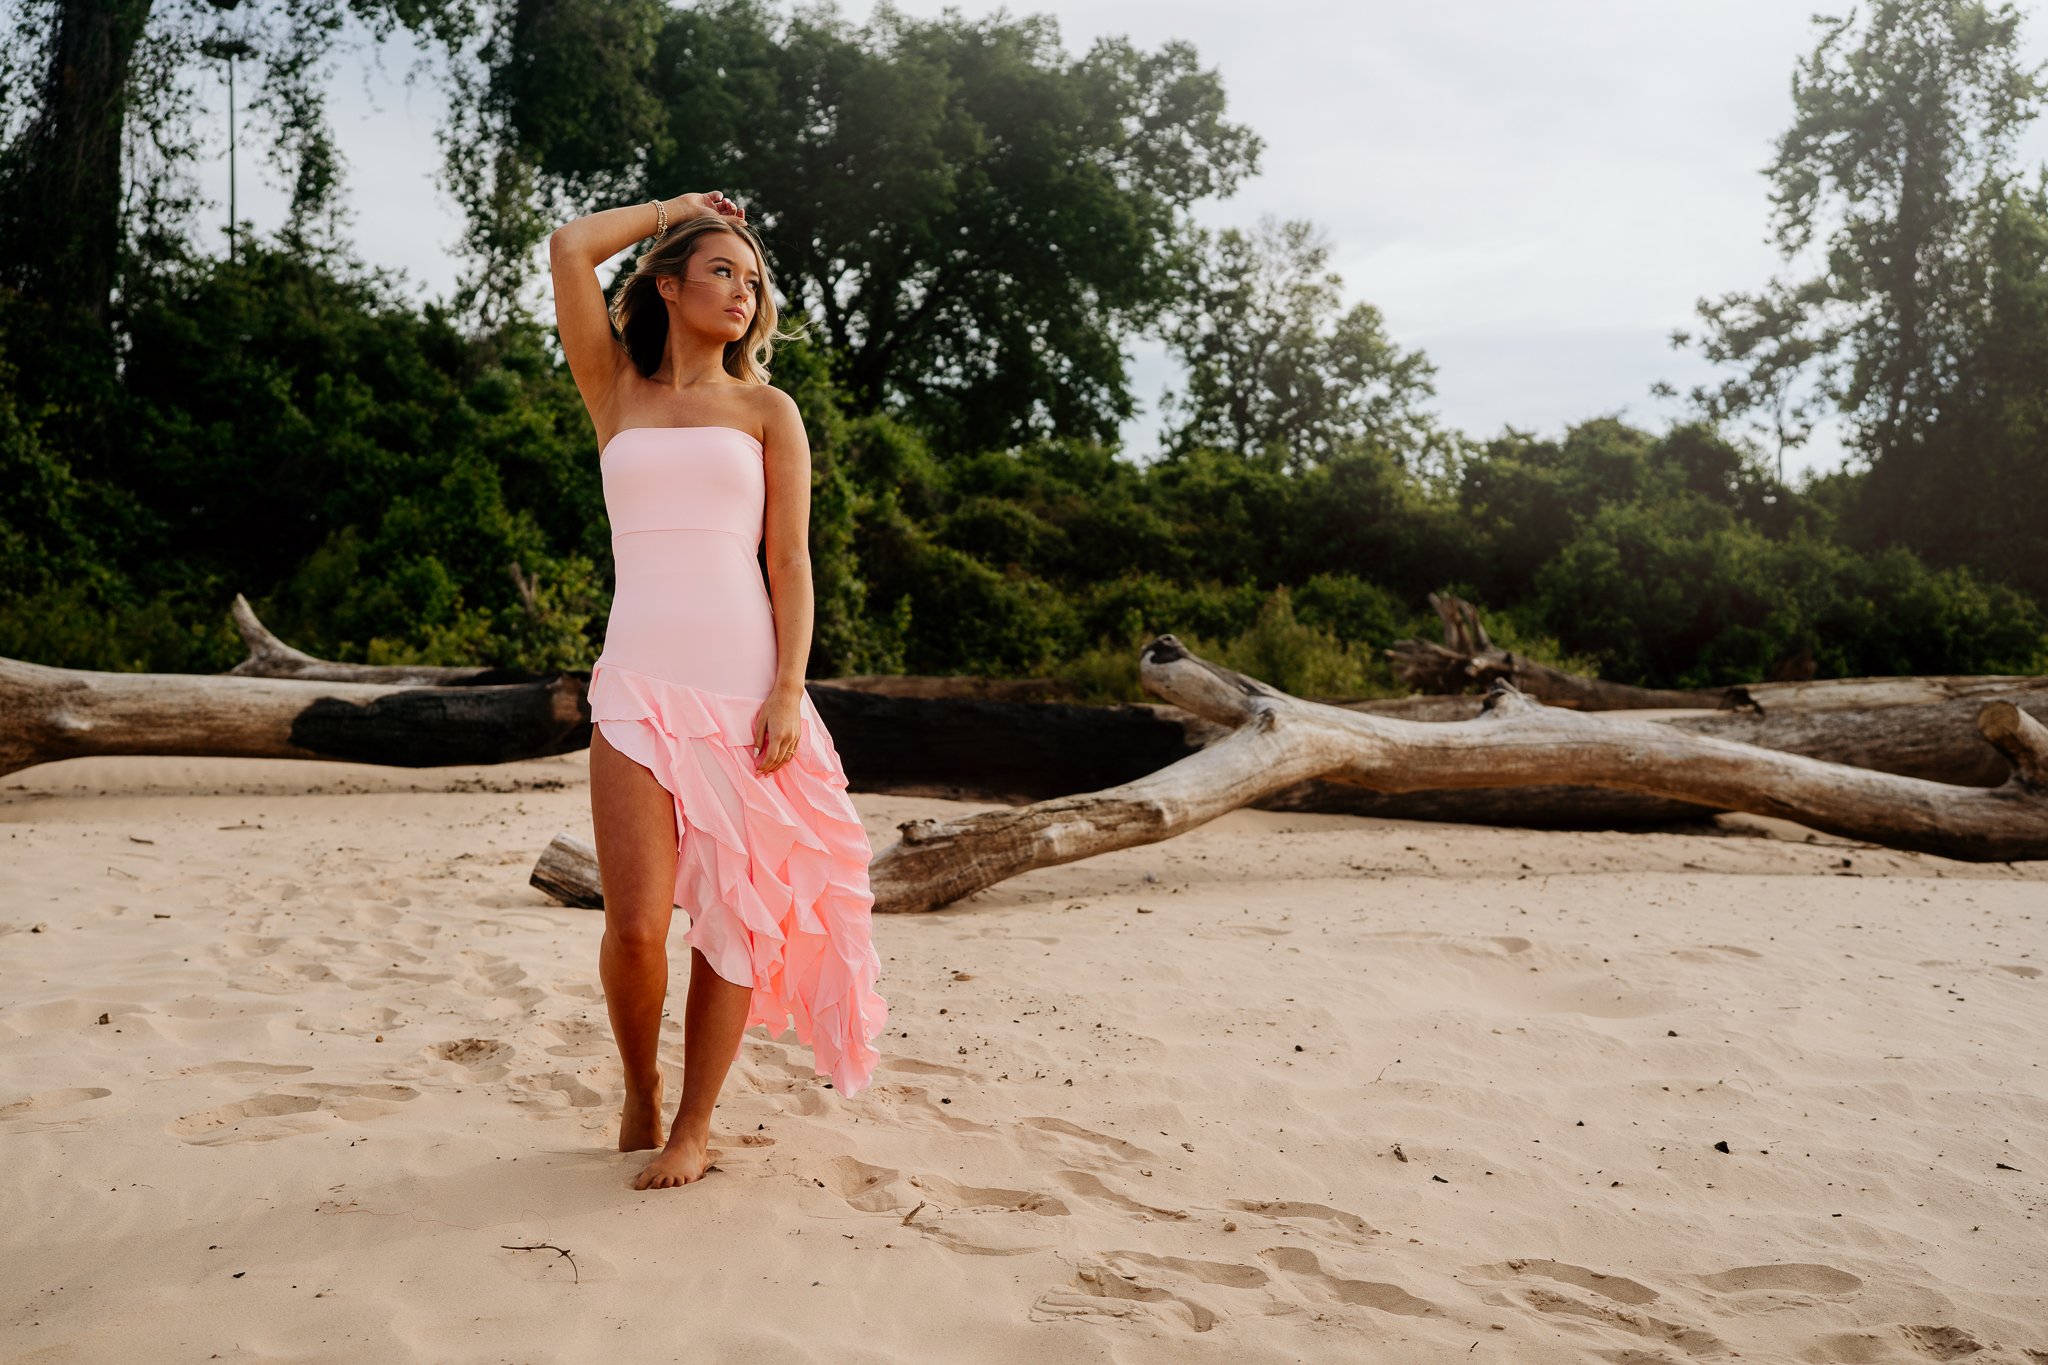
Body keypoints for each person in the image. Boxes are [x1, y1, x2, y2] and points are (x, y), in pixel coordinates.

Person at [548, 190, 888, 1191]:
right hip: (636, 685)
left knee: (734, 917)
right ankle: (640, 1089)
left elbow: (789, 562)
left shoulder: (765, 409)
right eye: (721, 271)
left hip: (742, 688)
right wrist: (676, 207)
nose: (744, 292)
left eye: (753, 279)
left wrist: (788, 687)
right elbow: (569, 246)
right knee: (637, 924)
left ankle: (694, 1123)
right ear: (666, 282)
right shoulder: (612, 386)